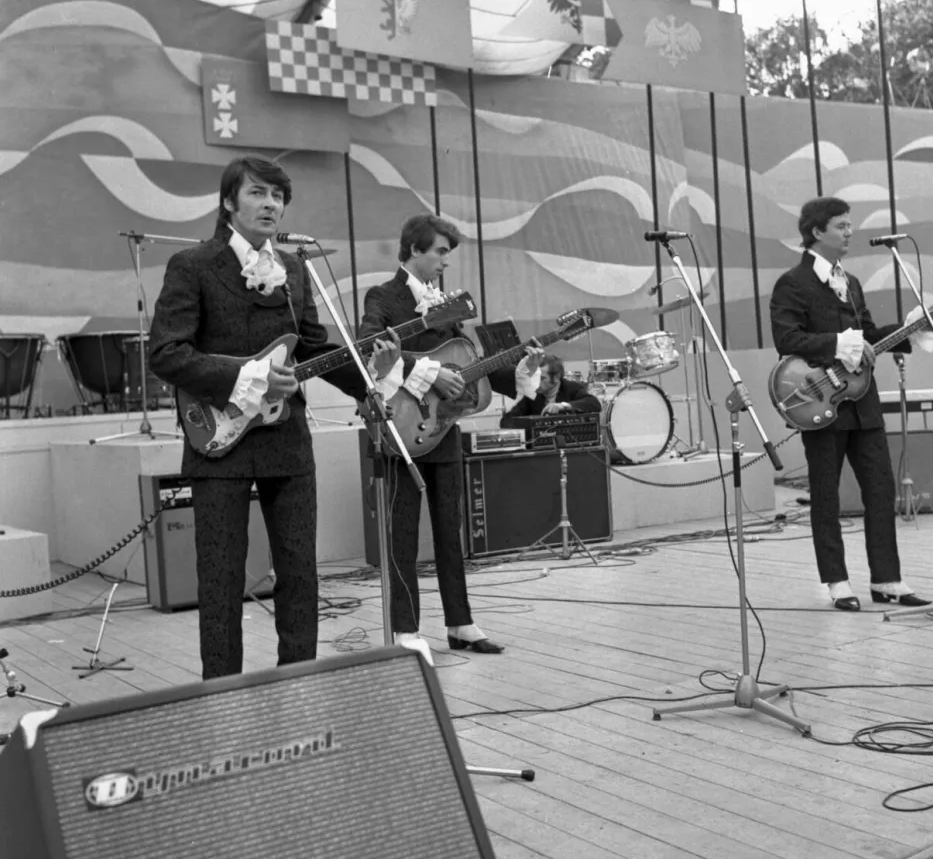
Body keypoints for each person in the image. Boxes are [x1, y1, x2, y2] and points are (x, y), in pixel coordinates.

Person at [148, 155, 399, 679]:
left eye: (278, 197)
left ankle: (297, 682)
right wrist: (248, 380)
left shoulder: (294, 270)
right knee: (219, 579)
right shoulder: (193, 266)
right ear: (228, 202)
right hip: (219, 441)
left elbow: (310, 349)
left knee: (300, 574)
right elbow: (167, 354)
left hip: (286, 440)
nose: (271, 205)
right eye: (259, 193)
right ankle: (223, 693)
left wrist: (371, 374)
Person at [358, 213, 542, 665]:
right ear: (414, 250)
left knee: (450, 528)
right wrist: (431, 373)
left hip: (442, 430)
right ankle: (405, 629)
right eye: (440, 251)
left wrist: (522, 369)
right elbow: (371, 349)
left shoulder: (447, 304)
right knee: (403, 532)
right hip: (401, 429)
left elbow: (467, 363)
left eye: (447, 254)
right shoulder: (383, 297)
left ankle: (459, 623)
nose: (445, 261)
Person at [770, 197, 933, 611]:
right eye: (841, 226)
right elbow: (787, 340)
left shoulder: (852, 282)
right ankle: (837, 582)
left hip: (863, 404)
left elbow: (867, 338)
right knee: (826, 497)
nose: (849, 232)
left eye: (849, 225)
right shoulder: (792, 283)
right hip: (820, 404)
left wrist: (911, 329)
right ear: (817, 232)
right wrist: (836, 344)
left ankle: (887, 580)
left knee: (881, 492)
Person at [500, 354, 601, 423]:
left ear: (556, 377)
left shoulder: (571, 388)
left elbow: (594, 403)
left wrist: (564, 406)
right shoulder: (533, 396)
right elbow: (506, 421)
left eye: (541, 378)